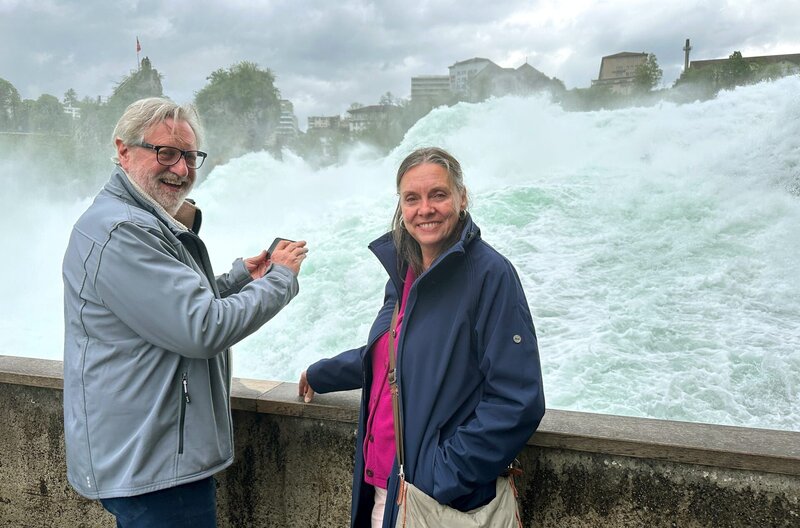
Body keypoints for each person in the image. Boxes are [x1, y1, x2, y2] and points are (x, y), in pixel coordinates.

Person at [62, 97, 308, 527]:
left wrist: (238, 280)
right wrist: (280, 279)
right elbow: (203, 328)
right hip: (154, 465)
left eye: (189, 156)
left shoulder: (136, 218)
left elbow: (166, 310)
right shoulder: (123, 230)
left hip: (150, 453)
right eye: (166, 153)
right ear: (123, 150)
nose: (181, 169)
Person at [298, 147, 545, 527]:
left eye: (438, 195)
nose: (424, 209)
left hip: (435, 499)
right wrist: (322, 374)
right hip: (385, 490)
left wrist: (440, 476)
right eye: (411, 198)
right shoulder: (403, 273)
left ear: (462, 198)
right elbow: (394, 352)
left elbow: (517, 400)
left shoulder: (490, 276)